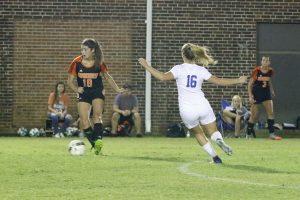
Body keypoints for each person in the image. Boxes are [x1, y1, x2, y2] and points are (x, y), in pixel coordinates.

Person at [138, 43, 247, 164]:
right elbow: (218, 81)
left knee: (198, 133)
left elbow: (162, 77)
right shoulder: (201, 70)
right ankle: (219, 140)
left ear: (183, 55)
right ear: (195, 55)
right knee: (213, 131)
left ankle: (215, 157)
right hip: (202, 105)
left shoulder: (178, 68)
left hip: (187, 110)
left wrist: (146, 65)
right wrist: (238, 80)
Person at [67, 38, 123, 155]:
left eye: (85, 49)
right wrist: (77, 89)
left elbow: (107, 77)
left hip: (97, 91)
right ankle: (95, 144)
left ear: (92, 50)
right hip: (84, 93)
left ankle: (98, 140)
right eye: (82, 49)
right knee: (83, 121)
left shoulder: (99, 62)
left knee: (97, 116)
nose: (82, 52)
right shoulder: (76, 62)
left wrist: (117, 89)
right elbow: (70, 81)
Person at [247, 56, 282, 140]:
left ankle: (271, 134)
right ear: (261, 62)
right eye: (263, 60)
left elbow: (268, 80)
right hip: (256, 94)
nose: (265, 62)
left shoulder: (270, 71)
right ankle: (248, 134)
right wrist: (250, 95)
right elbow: (250, 84)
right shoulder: (256, 70)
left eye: (267, 60)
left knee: (271, 113)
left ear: (269, 62)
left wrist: (272, 90)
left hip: (266, 94)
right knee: (254, 115)